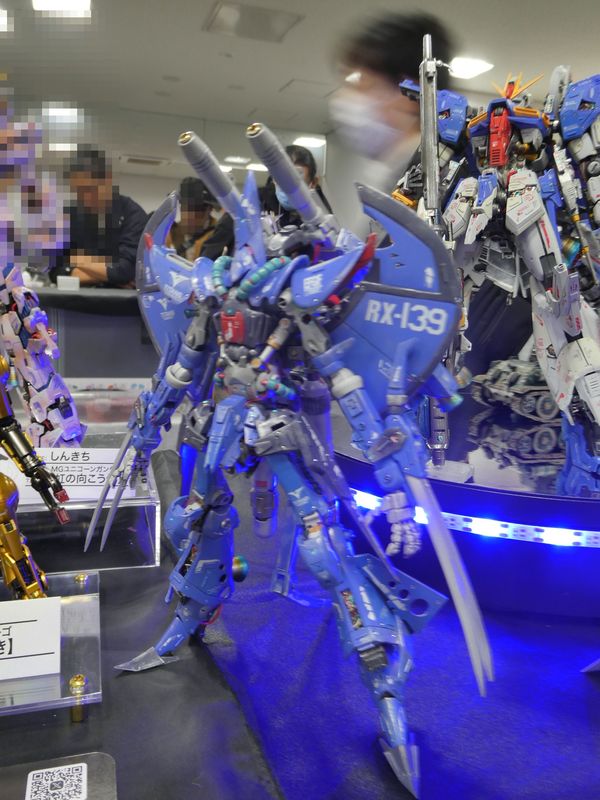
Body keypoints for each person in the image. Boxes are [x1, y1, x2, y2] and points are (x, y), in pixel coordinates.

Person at [330, 12, 452, 189]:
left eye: (361, 81)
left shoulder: (436, 181)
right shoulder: (392, 174)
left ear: (411, 92)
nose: (345, 96)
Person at [55, 145, 148, 287]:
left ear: (108, 180)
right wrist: (109, 276)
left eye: (89, 190)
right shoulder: (70, 216)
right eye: (78, 192)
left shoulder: (133, 215)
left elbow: (126, 270)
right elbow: (56, 272)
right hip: (76, 297)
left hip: (119, 300)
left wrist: (75, 260)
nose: (84, 199)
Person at [166, 176, 234, 261]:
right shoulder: (170, 232)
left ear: (209, 210)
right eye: (185, 207)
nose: (189, 215)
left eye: (195, 209)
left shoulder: (221, 235)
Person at [264, 144, 332, 225]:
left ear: (313, 183)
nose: (287, 189)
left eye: (295, 182)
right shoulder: (264, 204)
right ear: (273, 180)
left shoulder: (323, 218)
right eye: (281, 181)